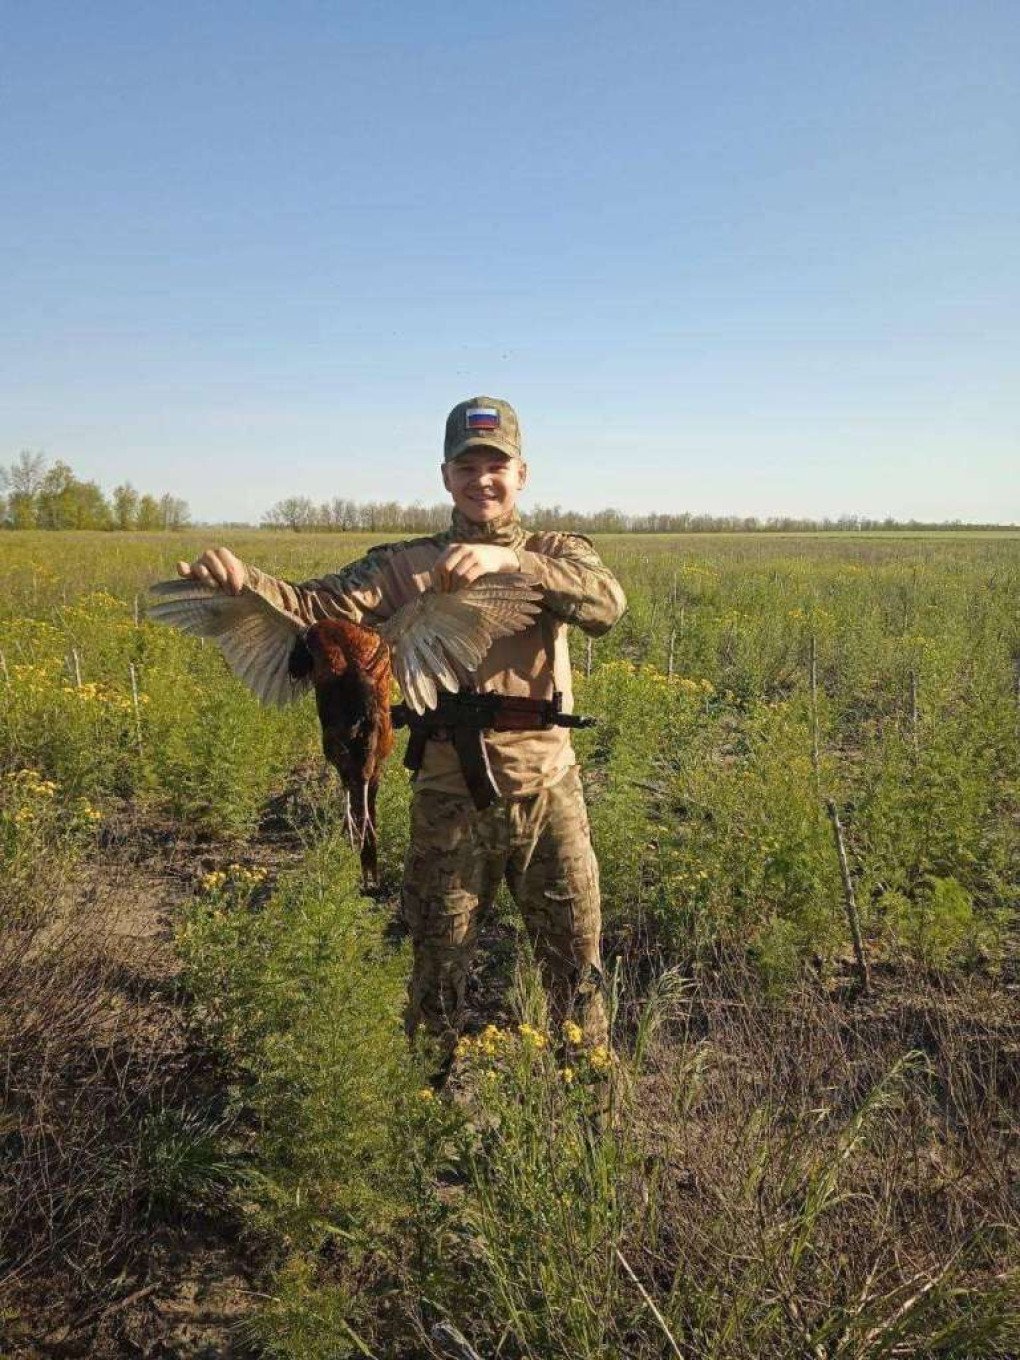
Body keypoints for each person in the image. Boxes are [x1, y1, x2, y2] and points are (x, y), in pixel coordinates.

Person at [178, 396, 627, 1061]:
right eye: (467, 466)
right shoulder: (400, 565)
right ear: (445, 476)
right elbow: (313, 609)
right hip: (448, 794)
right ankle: (422, 1120)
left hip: (547, 790)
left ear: (522, 475)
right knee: (437, 974)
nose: (483, 480)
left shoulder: (557, 553)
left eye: (496, 466)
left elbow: (606, 605)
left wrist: (510, 564)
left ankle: (593, 1128)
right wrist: (244, 580)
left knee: (577, 973)